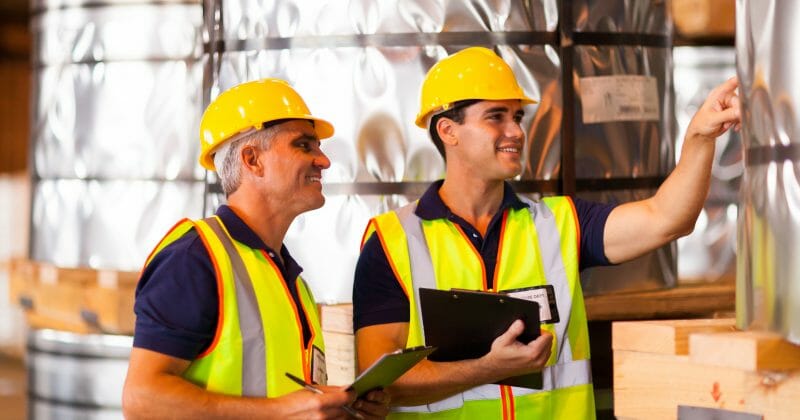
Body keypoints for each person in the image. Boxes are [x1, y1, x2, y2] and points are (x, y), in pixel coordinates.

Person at [353, 47, 741, 419]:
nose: (516, 132)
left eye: (517, 117)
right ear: (448, 130)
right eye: (495, 117)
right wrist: (486, 369)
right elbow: (379, 381)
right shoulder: (393, 241)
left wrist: (700, 138)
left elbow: (666, 218)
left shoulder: (560, 222)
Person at [123, 78, 390, 419]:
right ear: (252, 160)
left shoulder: (289, 277)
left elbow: (285, 397)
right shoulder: (194, 258)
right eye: (304, 145)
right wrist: (282, 410)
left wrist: (337, 406)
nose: (323, 161)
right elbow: (142, 399)